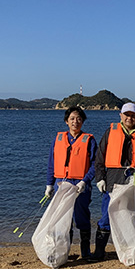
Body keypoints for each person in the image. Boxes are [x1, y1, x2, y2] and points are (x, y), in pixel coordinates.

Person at [91, 102, 135, 261]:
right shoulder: (110, 132)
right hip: (113, 179)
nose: (130, 118)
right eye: (127, 115)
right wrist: (100, 178)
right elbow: (99, 158)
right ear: (120, 116)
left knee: (134, 216)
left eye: (133, 115)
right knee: (107, 215)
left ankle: (134, 249)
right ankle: (99, 251)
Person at [45, 106, 97, 259]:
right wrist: (49, 184)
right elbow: (51, 163)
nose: (76, 121)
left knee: (82, 217)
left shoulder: (89, 140)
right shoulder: (59, 139)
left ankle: (85, 251)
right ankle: (63, 251)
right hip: (61, 184)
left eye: (79, 119)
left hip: (80, 186)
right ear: (66, 121)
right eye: (72, 118)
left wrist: (85, 181)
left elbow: (95, 165)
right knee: (62, 219)